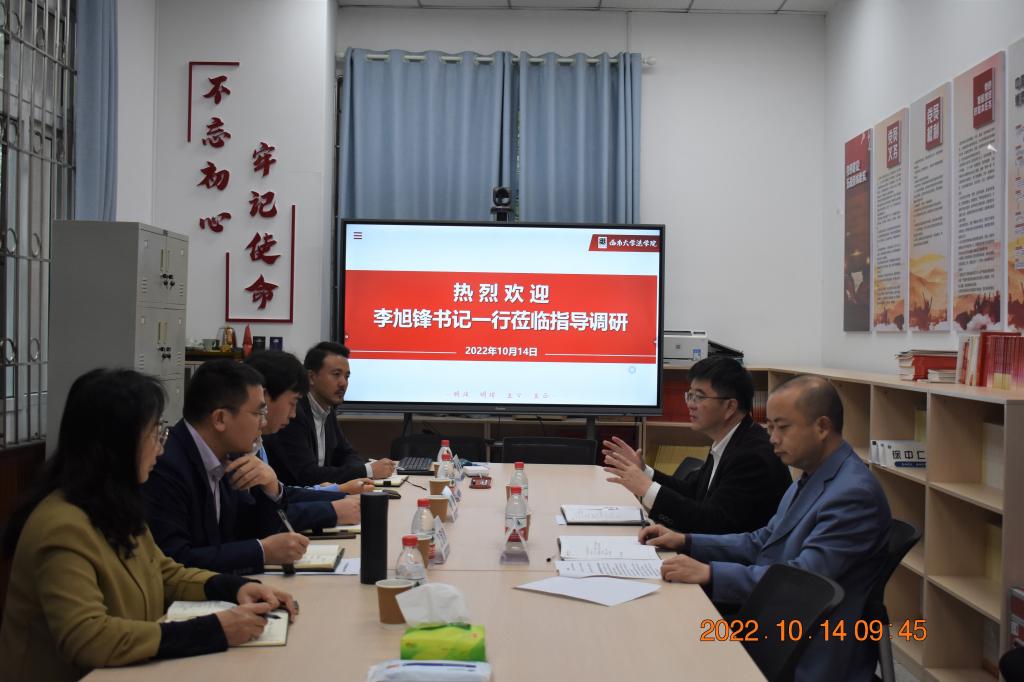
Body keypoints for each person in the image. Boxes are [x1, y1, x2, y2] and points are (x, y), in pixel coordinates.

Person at [0, 369, 297, 681]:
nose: (161, 448)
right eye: (155, 434)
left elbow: (165, 573)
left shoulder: (114, 504)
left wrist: (236, 588)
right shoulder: (62, 526)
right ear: (118, 442)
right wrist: (214, 629)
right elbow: (88, 637)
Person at [640, 375, 892, 682]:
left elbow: (803, 580)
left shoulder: (853, 495)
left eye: (782, 427)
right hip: (776, 616)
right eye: (770, 427)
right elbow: (763, 540)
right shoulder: (813, 475)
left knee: (667, 646)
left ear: (822, 427)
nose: (772, 438)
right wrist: (687, 541)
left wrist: (711, 573)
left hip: (806, 643)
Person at [142, 360, 309, 574]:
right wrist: (261, 551)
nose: (263, 423)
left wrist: (271, 488)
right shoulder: (167, 466)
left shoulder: (227, 455)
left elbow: (249, 532)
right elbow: (175, 559)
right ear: (220, 419)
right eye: (258, 413)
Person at [602, 356, 791, 533]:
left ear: (730, 407)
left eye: (699, 397)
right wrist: (644, 471)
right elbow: (692, 491)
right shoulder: (730, 439)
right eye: (690, 395)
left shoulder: (752, 457)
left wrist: (647, 488)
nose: (690, 404)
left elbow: (713, 525)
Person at [244, 350, 374, 531]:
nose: (293, 413)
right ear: (263, 397)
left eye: (347, 376)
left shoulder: (257, 443)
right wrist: (332, 510)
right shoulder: (237, 449)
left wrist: (339, 493)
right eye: (292, 402)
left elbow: (281, 495)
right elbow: (253, 519)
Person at [263, 342, 396, 487]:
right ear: (311, 377)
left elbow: (347, 453)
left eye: (347, 376)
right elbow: (306, 475)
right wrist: (367, 470)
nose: (343, 383)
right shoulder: (292, 414)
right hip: (297, 496)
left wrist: (360, 471)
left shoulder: (327, 409)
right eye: (336, 375)